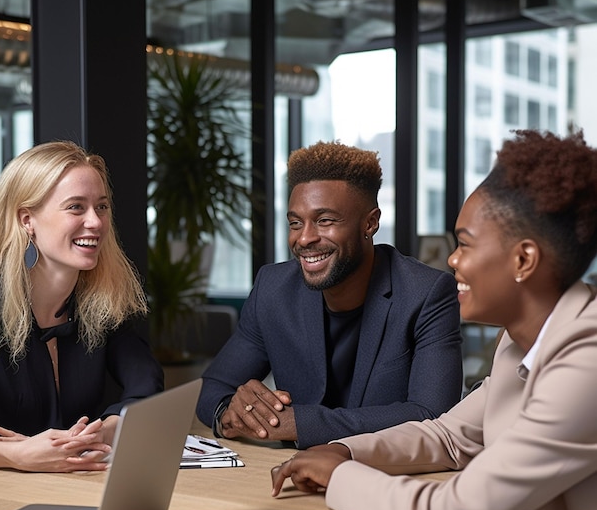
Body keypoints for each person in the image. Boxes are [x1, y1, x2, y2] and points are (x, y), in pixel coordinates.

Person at [271, 129, 597, 510]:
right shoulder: (521, 342)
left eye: (465, 244)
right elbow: (449, 435)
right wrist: (343, 451)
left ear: (523, 259)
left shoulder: (586, 365)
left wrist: (338, 477)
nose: (452, 260)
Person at [196, 140, 463, 449]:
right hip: (292, 477)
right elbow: (213, 387)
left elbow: (432, 415)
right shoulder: (273, 288)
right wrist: (233, 413)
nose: (305, 238)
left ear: (370, 223)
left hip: (384, 478)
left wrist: (301, 424)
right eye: (296, 223)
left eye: (324, 221)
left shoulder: (426, 293)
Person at [0, 141, 164, 473]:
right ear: (27, 219)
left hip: (80, 483)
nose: (96, 222)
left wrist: (100, 433)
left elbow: (147, 388)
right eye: (76, 207)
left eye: (101, 207)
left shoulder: (104, 300)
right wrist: (16, 456)